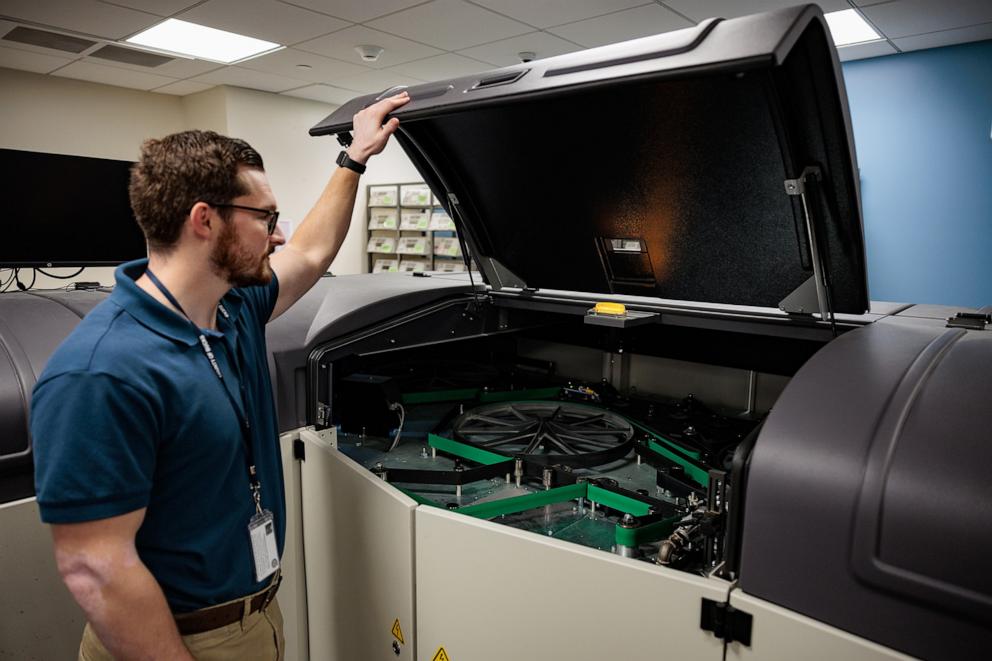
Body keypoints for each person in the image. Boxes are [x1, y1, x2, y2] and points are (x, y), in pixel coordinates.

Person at [29, 91, 411, 660]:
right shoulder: (102, 371)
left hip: (255, 616)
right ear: (204, 221)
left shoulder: (233, 309)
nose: (277, 235)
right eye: (265, 218)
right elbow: (95, 567)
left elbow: (308, 253)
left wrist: (353, 159)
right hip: (178, 641)